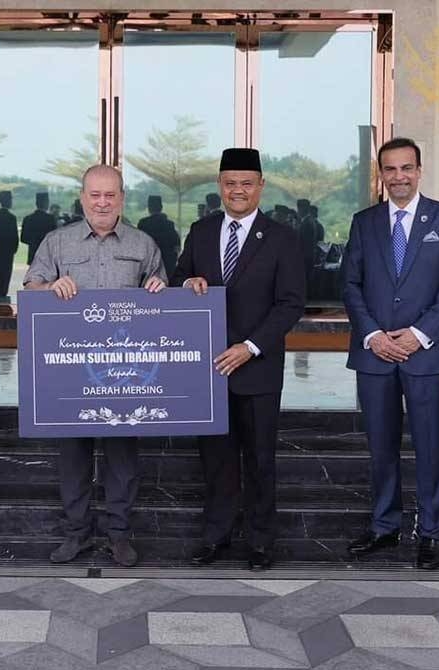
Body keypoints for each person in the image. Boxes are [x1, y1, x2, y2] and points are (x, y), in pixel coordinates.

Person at [24, 165, 167, 567]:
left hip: (125, 375)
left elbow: (164, 303)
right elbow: (29, 291)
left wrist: (157, 288)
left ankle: (119, 535)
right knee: (73, 457)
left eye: (111, 195)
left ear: (123, 197)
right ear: (82, 197)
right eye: (95, 195)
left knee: (123, 458)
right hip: (71, 373)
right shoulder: (56, 243)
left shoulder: (144, 244)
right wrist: (49, 288)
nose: (102, 202)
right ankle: (77, 534)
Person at [172, 148, 305, 571]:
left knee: (261, 459)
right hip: (210, 367)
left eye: (247, 183)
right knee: (216, 460)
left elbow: (290, 304)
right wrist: (187, 281)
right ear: (220, 186)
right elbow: (180, 280)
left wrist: (250, 346)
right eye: (230, 183)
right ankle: (216, 537)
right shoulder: (202, 230)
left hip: (258, 367)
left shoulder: (282, 237)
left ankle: (261, 543)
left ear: (261, 186)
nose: (238, 191)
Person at [342, 137, 439, 570]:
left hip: (426, 354)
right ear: (381, 174)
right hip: (375, 353)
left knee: (429, 445)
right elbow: (351, 285)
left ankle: (432, 532)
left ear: (419, 170)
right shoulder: (364, 222)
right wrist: (373, 335)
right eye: (390, 169)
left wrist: (418, 334)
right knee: (380, 446)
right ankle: (384, 526)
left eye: (406, 168)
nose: (399, 177)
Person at [137, 195, 181, 274]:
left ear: (149, 207)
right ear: (161, 207)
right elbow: (176, 244)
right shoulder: (169, 224)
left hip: (148, 263)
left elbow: (139, 244)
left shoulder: (143, 224)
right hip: (167, 263)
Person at [21, 191, 56, 264]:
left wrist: (33, 242)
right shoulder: (50, 219)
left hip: (33, 253)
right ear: (46, 203)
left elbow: (23, 238)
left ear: (36, 203)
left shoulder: (28, 219)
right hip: (47, 255)